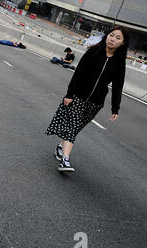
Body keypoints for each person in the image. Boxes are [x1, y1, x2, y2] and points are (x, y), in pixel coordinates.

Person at [45, 26, 129, 173]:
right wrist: (69, 94)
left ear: (122, 43)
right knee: (72, 125)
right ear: (107, 36)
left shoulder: (119, 63)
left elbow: (117, 87)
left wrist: (115, 108)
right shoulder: (93, 51)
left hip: (96, 102)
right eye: (111, 35)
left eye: (118, 38)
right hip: (79, 96)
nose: (112, 39)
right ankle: (65, 160)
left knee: (76, 127)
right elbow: (78, 73)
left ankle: (61, 147)